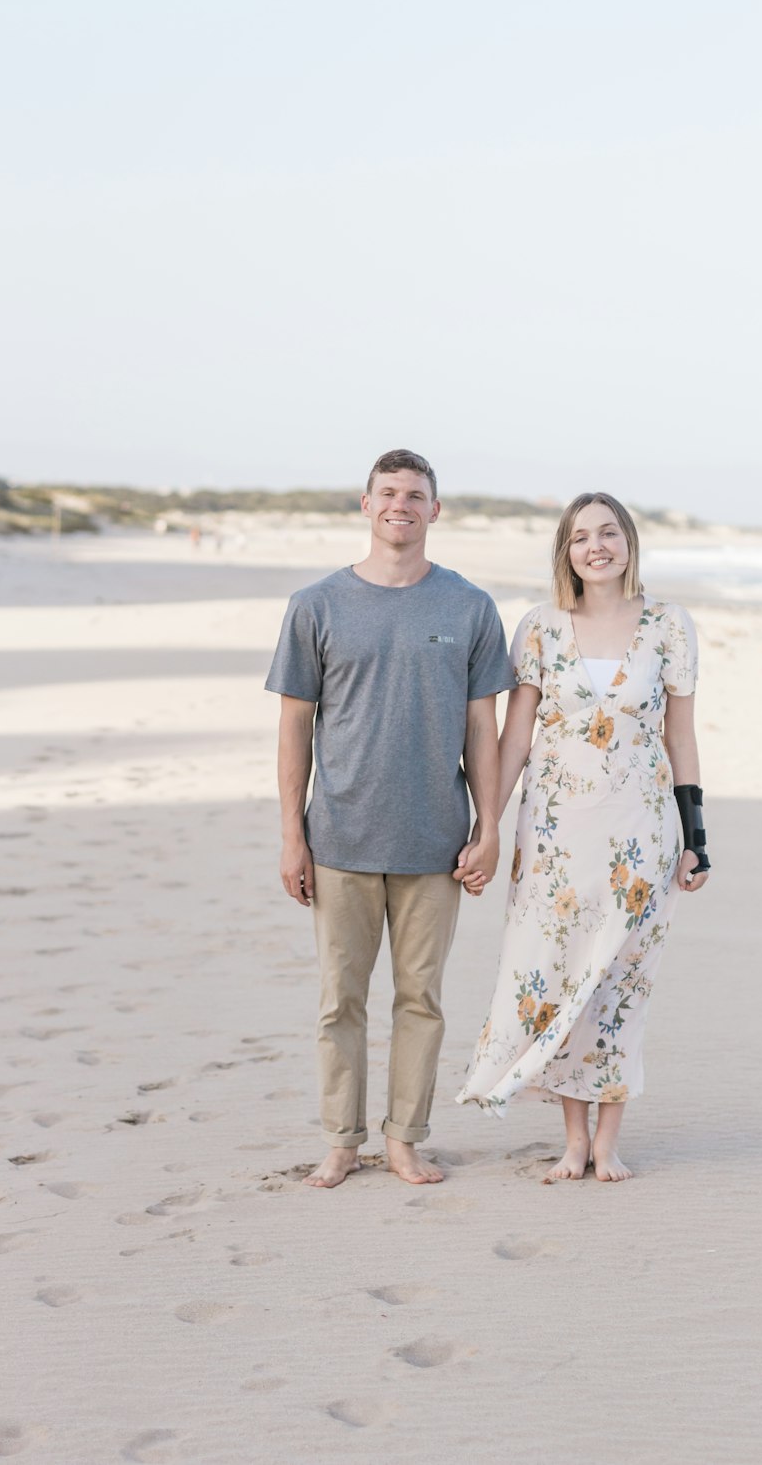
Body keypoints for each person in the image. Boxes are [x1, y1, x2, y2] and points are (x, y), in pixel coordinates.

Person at [266, 449, 515, 1189]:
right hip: (339, 837)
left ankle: (405, 1138)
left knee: (421, 1000)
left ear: (435, 511)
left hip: (435, 841)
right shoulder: (316, 605)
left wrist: (488, 826)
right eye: (388, 492)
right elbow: (293, 729)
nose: (401, 504)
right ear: (365, 505)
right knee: (340, 999)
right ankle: (342, 1140)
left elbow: (482, 729)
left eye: (416, 494)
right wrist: (292, 835)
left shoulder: (469, 607)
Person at [457, 492, 710, 1182]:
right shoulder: (540, 628)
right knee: (560, 975)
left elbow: (679, 736)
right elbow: (515, 739)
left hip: (642, 834)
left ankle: (609, 1142)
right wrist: (489, 824)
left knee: (622, 979)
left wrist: (697, 836)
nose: (595, 546)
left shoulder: (669, 626)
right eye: (579, 538)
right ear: (565, 553)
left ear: (629, 542)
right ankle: (573, 1141)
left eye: (608, 533)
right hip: (555, 835)